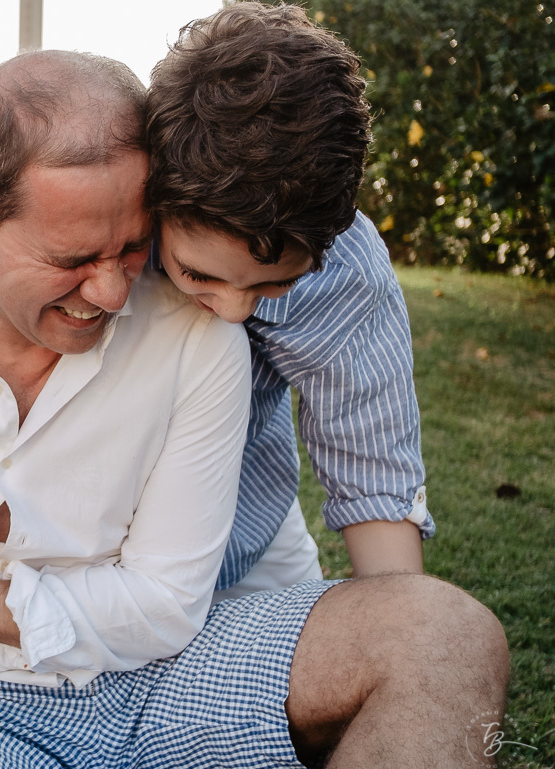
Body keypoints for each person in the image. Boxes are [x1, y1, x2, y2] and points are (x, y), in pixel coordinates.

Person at [0, 49, 508, 769]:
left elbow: (175, 598)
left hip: (195, 662)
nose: (111, 292)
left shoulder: (205, 331)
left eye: (133, 249)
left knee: (441, 634)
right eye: (73, 256)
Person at [145, 2, 433, 599]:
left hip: (250, 526)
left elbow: (372, 467)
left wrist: (402, 623)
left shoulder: (346, 273)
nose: (233, 311)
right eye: (197, 273)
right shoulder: (102, 218)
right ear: (154, 197)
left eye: (272, 285)